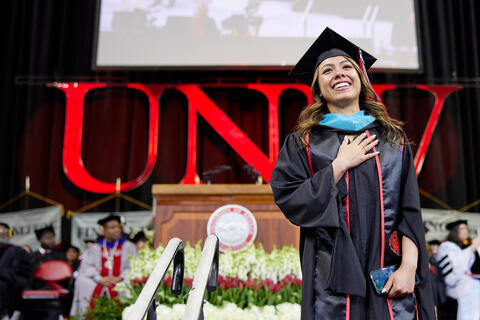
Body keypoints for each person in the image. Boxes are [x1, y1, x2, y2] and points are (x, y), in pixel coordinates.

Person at [270, 27, 435, 319]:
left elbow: (409, 211)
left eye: (348, 67)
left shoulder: (392, 140)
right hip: (331, 277)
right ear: (318, 88)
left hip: (390, 271)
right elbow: (290, 198)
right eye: (327, 71)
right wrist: (338, 165)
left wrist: (409, 267)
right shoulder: (304, 143)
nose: (339, 74)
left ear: (361, 79)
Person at [70, 214, 137, 316]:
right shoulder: (95, 248)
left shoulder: (129, 247)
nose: (117, 230)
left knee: (131, 283)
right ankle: (86, 315)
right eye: (112, 227)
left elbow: (133, 267)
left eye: (118, 227)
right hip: (99, 282)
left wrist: (119, 278)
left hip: (120, 280)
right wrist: (99, 278)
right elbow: (87, 267)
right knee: (81, 281)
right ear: (104, 230)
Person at [436, 220, 480, 320]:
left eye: (466, 228)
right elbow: (457, 269)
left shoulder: (464, 246)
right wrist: (476, 242)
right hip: (455, 296)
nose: (466, 231)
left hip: (470, 293)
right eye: (462, 228)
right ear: (455, 231)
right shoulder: (446, 246)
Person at [0, 222, 33, 319]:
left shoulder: (17, 252)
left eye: (3, 231)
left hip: (9, 288)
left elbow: (21, 276)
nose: (1, 233)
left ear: (9, 234)